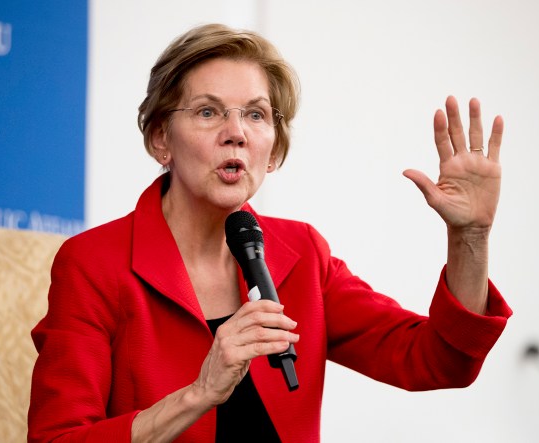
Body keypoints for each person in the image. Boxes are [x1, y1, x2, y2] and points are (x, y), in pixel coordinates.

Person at [27, 23, 512, 443]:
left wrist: (470, 236)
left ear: (274, 150)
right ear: (160, 139)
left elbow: (439, 360)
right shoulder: (93, 263)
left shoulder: (302, 254)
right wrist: (199, 393)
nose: (236, 132)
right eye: (208, 112)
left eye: (256, 114)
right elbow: (57, 437)